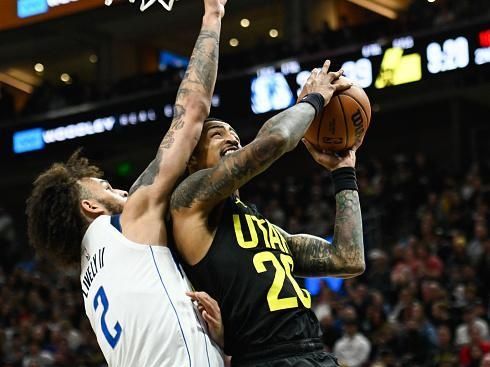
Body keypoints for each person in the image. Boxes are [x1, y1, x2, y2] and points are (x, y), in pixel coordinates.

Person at [25, 0, 227, 365]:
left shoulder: (90, 284)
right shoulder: (125, 224)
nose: (117, 189)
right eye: (102, 187)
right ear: (89, 206)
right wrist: (212, 15)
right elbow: (192, 110)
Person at [170, 61, 365, 366]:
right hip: (264, 358)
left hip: (314, 354)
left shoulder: (266, 230)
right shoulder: (188, 200)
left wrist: (344, 174)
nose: (232, 138)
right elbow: (273, 140)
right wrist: (312, 101)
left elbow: (348, 259)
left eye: (234, 134)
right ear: (192, 161)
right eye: (217, 135)